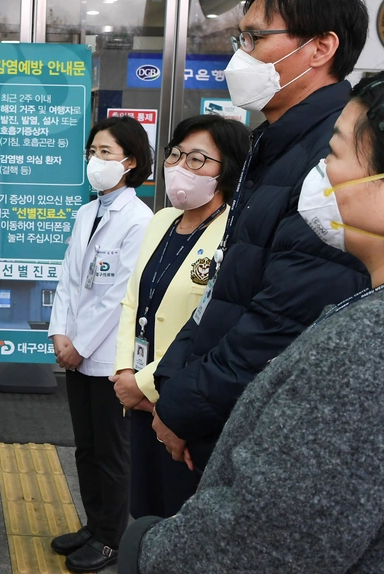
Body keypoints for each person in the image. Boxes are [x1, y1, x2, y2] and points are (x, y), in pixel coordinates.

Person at [120, 62, 384, 574]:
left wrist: (145, 549)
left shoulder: (376, 348)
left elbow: (271, 542)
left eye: (332, 155)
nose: (318, 176)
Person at [149, 0, 370, 477]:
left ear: (320, 48)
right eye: (238, 39)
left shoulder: (334, 156)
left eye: (255, 38)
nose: (239, 56)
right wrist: (171, 380)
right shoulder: (275, 142)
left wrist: (184, 405)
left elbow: (285, 320)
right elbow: (227, 287)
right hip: (218, 414)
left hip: (253, 430)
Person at [110, 115, 250, 521]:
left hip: (180, 399)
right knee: (144, 506)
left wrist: (145, 383)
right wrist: (124, 371)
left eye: (197, 159)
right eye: (175, 155)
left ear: (228, 171)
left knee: (178, 510)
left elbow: (210, 327)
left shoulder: (234, 233)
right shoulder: (161, 221)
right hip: (136, 395)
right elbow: (133, 300)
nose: (180, 167)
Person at [46, 116, 154, 572]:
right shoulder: (86, 212)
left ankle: (110, 538)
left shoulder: (139, 219)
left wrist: (81, 344)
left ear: (130, 162)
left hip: (108, 356)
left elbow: (118, 295)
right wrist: (59, 332)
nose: (95, 160)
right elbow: (69, 281)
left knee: (111, 451)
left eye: (105, 153)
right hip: (75, 350)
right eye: (93, 151)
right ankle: (92, 526)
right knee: (85, 446)